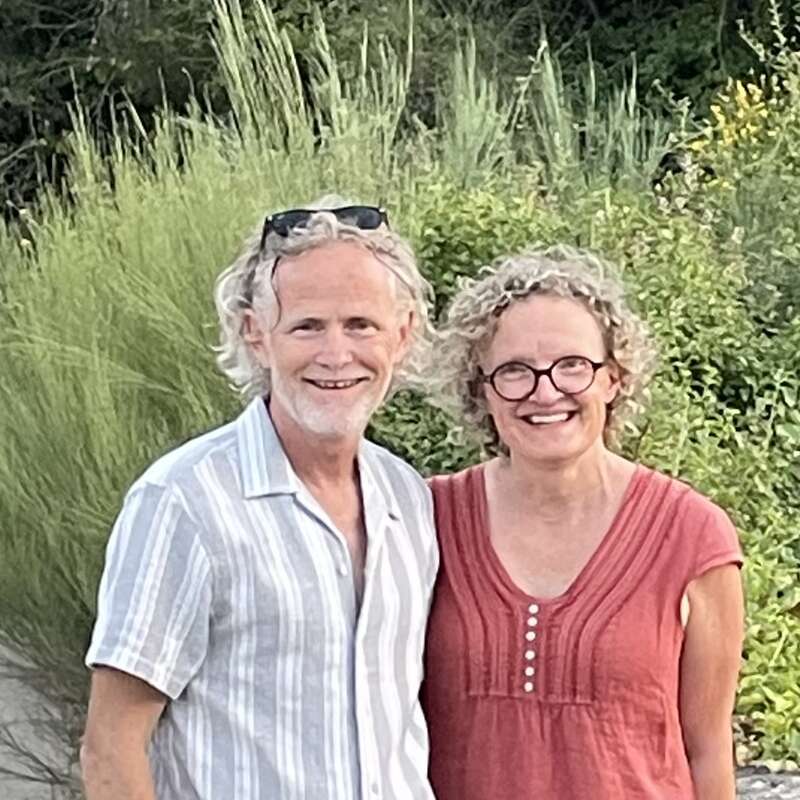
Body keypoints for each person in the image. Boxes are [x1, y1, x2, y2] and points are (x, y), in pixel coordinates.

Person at [80, 201, 439, 800]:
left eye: (360, 325)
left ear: (402, 335)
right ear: (255, 333)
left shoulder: (408, 498)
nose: (335, 354)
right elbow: (111, 748)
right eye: (306, 326)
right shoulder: (184, 503)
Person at [421, 246, 744, 800]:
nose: (546, 392)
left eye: (573, 366)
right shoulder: (425, 520)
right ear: (482, 391)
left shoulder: (692, 536)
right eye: (514, 371)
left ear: (613, 379)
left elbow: (708, 749)